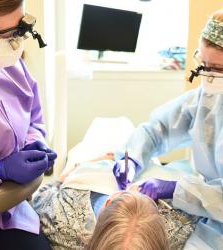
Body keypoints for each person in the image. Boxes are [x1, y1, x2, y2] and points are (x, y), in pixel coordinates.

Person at [113, 9, 223, 250]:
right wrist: (130, 159)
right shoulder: (208, 101)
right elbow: (157, 129)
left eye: (215, 68)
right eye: (202, 64)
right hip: (210, 224)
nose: (206, 75)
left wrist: (178, 189)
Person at [0, 1, 57, 249]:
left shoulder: (9, 67)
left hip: (13, 216)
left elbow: (34, 117)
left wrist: (35, 142)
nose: (16, 43)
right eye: (5, 35)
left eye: (20, 29)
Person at [32, 154, 197, 250]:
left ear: (107, 202)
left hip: (94, 166)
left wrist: (68, 173)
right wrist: (177, 188)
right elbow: (205, 201)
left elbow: (41, 196)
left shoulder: (61, 222)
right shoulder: (178, 229)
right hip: (164, 170)